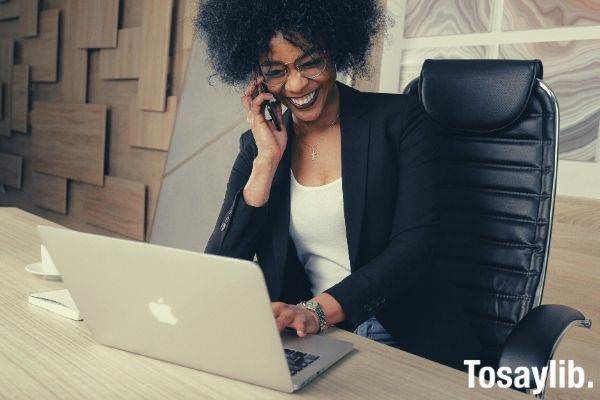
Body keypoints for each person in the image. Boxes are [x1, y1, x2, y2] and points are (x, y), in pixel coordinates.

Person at [197, 0, 481, 371]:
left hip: (399, 331)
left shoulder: (400, 123)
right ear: (258, 77)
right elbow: (221, 264)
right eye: (276, 71)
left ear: (335, 49)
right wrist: (266, 162)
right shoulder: (259, 145)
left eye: (310, 62)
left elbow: (415, 248)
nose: (296, 84)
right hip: (307, 339)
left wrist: (316, 311)